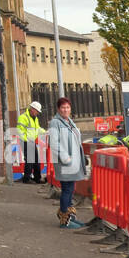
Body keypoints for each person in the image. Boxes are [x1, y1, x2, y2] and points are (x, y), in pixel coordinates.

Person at [48, 97, 87, 228]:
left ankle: (70, 216)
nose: (65, 110)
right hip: (65, 163)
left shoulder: (68, 121)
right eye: (63, 107)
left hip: (73, 162)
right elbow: (54, 143)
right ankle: (65, 220)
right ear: (58, 109)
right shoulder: (55, 123)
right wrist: (65, 157)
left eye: (68, 107)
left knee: (71, 189)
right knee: (67, 189)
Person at [17, 100, 44, 182]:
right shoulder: (23, 117)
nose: (38, 113)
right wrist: (26, 139)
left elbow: (37, 128)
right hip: (26, 141)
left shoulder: (35, 118)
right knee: (29, 160)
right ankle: (27, 179)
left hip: (31, 141)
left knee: (36, 160)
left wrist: (45, 131)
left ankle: (37, 178)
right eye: (37, 111)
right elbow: (19, 130)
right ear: (32, 109)